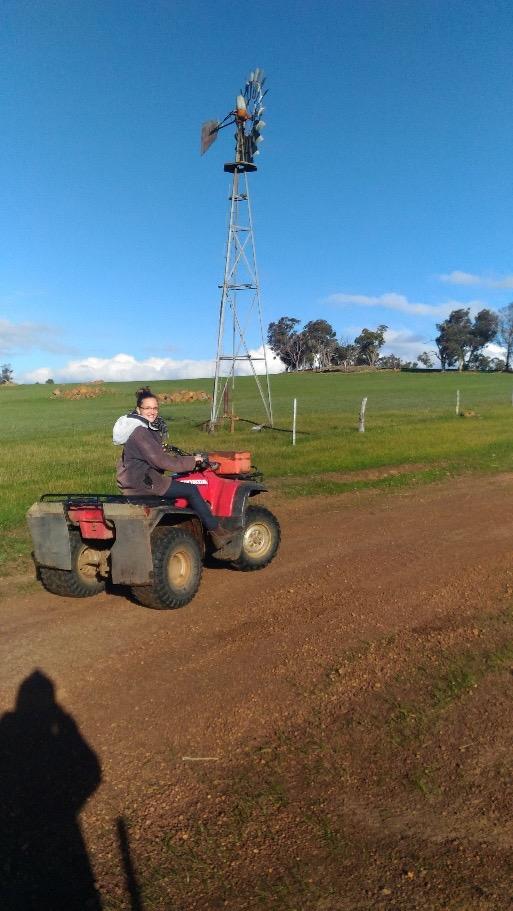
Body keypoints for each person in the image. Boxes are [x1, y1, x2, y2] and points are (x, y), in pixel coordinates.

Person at [113, 387, 233, 549]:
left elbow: (151, 455)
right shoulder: (140, 432)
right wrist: (193, 460)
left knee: (176, 482)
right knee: (191, 490)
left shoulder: (137, 429)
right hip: (145, 484)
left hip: (137, 481)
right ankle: (217, 532)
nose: (152, 412)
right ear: (138, 410)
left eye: (155, 408)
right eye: (147, 408)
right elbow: (163, 462)